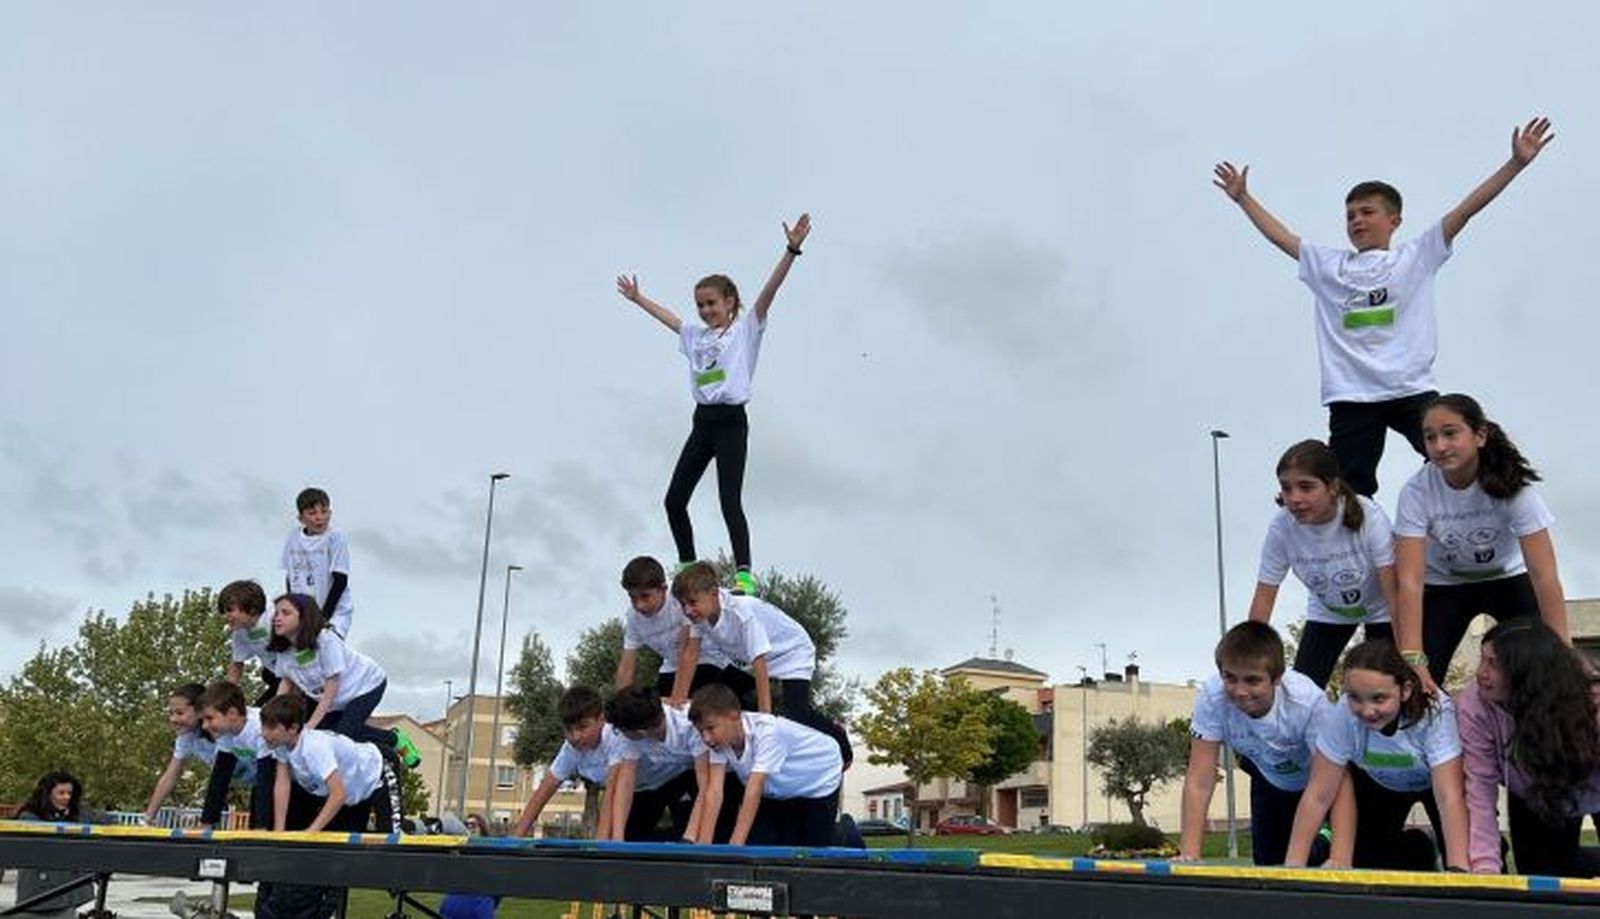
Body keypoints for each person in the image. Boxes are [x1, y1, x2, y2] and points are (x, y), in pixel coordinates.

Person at [1213, 116, 1555, 497]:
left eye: (1367, 212)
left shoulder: (1415, 257)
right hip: (1353, 394)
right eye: (1350, 215)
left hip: (1410, 387)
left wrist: (1516, 164)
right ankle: (1358, 552)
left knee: (1465, 454)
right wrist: (1243, 198)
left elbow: (1465, 211)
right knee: (1348, 492)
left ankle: (1499, 515)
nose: (1357, 220)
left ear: (1394, 220)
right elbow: (1282, 238)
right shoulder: (1330, 266)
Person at [616, 213, 812, 596]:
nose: (705, 310)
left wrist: (791, 250)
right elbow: (671, 319)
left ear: (730, 303)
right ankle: (687, 565)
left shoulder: (745, 331)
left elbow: (769, 293)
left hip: (731, 423)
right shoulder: (695, 335)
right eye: (700, 305)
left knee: (729, 501)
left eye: (711, 304)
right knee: (674, 500)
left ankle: (744, 575)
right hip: (702, 422)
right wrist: (639, 299)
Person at [1392, 393, 1567, 691]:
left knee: (1542, 670)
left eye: (1450, 433)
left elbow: (1544, 575)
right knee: (1412, 682)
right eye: (1430, 437)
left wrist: (1563, 650)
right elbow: (1409, 580)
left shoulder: (1514, 488)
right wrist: (1412, 656)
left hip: (1507, 581)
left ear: (1480, 435)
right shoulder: (1416, 492)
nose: (1440, 446)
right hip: (1445, 587)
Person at [1178, 621, 1352, 866]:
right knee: (1268, 867)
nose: (1240, 691)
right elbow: (1200, 778)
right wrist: (1189, 855)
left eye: (1252, 681)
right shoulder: (1212, 696)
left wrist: (1340, 858)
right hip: (1269, 780)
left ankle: (1324, 840)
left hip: (1319, 783)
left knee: (1309, 861)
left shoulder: (1308, 703)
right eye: (1230, 678)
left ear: (1277, 678)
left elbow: (1337, 781)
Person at [1284, 640, 1469, 870]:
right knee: (1369, 863)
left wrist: (1460, 869)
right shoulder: (1343, 714)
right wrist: (1293, 866)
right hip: (1380, 785)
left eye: (1379, 698)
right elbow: (1319, 794)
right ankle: (1419, 848)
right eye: (1355, 697)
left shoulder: (1435, 712)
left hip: (1435, 785)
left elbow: (1449, 797)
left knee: (1469, 858)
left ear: (1406, 690)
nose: (1366, 710)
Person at [1248, 440, 1398, 687]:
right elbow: (1264, 596)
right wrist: (1249, 658)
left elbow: (1395, 594)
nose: (1295, 498)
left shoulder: (1369, 516)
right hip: (1329, 612)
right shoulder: (1281, 527)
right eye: (1286, 489)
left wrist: (1411, 655)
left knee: (1381, 684)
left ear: (1333, 487)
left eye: (1306, 487)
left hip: (1382, 611)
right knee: (1303, 688)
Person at [1458, 619, 1600, 876]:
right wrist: (1485, 867)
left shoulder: (1591, 698)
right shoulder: (1474, 704)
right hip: (1534, 794)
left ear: (1526, 673)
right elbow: (1479, 787)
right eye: (1482, 659)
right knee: (1540, 878)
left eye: (1494, 664)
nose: (1481, 673)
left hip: (1590, 782)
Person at [673, 562, 851, 765]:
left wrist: (765, 719)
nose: (687, 610)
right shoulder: (698, 616)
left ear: (714, 593)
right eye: (682, 605)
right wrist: (678, 697)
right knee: (715, 697)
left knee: (797, 714)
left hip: (791, 651)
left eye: (692, 603)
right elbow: (690, 653)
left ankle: (837, 733)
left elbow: (760, 664)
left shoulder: (742, 613)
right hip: (748, 658)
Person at [688, 684, 842, 847]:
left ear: (734, 715)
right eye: (701, 731)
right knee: (768, 843)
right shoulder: (718, 743)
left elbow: (754, 787)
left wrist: (735, 845)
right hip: (780, 788)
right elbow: (714, 791)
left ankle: (846, 833)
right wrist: (704, 844)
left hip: (820, 775)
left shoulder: (768, 732)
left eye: (710, 728)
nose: (706, 738)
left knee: (815, 848)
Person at [267, 592, 409, 761]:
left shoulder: (326, 640)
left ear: (304, 617)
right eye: (276, 613)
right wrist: (274, 717)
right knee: (326, 736)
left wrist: (311, 725)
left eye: (286, 613)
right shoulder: (285, 652)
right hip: (335, 701)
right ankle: (385, 740)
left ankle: (393, 741)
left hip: (365, 686)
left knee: (343, 737)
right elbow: (286, 682)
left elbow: (331, 688)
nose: (277, 618)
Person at [615, 555, 751, 705]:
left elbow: (688, 650)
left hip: (708, 660)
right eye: (632, 597)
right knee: (650, 710)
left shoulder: (681, 598)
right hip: (671, 668)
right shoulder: (634, 617)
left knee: (696, 705)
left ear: (663, 589)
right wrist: (620, 704)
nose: (639, 605)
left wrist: (677, 699)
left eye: (645, 596)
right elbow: (626, 666)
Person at [259, 694, 399, 834]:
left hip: (379, 768)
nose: (264, 733)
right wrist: (279, 831)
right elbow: (282, 786)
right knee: (345, 844)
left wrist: (310, 832)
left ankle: (394, 737)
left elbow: (338, 794)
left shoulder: (314, 748)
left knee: (391, 837)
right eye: (263, 726)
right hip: (352, 790)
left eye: (271, 728)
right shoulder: (281, 746)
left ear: (293, 728)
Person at [197, 681, 318, 830]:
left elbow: (267, 778)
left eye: (209, 718)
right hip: (275, 783)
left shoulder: (259, 728)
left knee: (273, 825)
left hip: (301, 785)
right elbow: (220, 778)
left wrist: (262, 827)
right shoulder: (226, 734)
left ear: (232, 713)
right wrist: (206, 822)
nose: (204, 726)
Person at [510, 687, 625, 838]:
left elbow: (611, 794)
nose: (575, 736)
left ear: (601, 720)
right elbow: (542, 792)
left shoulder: (614, 737)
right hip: (634, 790)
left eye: (583, 727)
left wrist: (600, 846)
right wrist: (515, 838)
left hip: (660, 779)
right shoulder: (570, 749)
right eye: (569, 730)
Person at [604, 686, 706, 842]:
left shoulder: (690, 723)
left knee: (702, 830)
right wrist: (618, 837)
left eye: (621, 731)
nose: (619, 735)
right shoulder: (632, 731)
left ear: (641, 732)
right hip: (676, 775)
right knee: (631, 832)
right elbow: (625, 783)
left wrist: (689, 837)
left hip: (724, 772)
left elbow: (707, 786)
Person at [141, 682, 248, 829]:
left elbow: (219, 779)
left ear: (199, 711)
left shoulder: (221, 731)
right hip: (245, 779)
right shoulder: (186, 737)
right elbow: (170, 775)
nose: (173, 719)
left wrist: (206, 822)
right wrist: (147, 818)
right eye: (170, 713)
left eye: (180, 713)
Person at [12, 772, 96, 918]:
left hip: (65, 896)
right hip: (36, 894)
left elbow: (102, 819)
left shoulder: (75, 814)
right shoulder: (30, 816)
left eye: (69, 793)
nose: (66, 797)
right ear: (47, 794)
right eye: (61, 793)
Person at [281, 487, 355, 637]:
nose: (319, 517)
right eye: (312, 513)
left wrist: (323, 617)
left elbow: (340, 580)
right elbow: (290, 577)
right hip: (304, 612)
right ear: (301, 518)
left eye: (324, 511)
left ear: (330, 513)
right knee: (303, 655)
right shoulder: (293, 538)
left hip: (333, 611)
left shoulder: (335, 537)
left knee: (328, 648)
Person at [219, 578, 279, 706]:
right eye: (223, 612)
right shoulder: (240, 633)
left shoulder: (274, 618)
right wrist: (222, 697)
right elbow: (236, 666)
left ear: (251, 608)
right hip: (278, 677)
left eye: (230, 610)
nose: (225, 616)